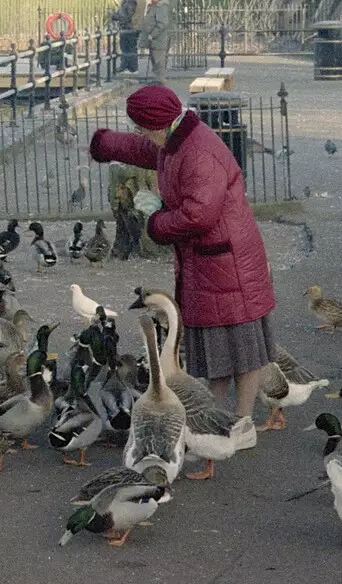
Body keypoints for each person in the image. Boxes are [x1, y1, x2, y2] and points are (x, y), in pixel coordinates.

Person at [88, 84, 275, 443]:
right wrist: (105, 143)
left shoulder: (200, 154)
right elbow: (147, 150)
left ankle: (240, 425)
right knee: (216, 351)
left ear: (159, 124)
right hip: (211, 260)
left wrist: (157, 221)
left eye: (142, 127)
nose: (140, 134)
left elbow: (198, 215)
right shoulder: (176, 139)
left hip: (227, 261)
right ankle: (214, 423)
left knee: (241, 347)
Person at [111, 0, 145, 74]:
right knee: (131, 48)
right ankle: (129, 67)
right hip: (136, 26)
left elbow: (127, 15)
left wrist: (115, 16)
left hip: (130, 27)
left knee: (127, 48)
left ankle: (131, 68)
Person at [142, 0, 171, 83]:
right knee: (155, 59)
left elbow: (162, 23)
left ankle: (160, 81)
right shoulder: (153, 6)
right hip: (153, 39)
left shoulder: (160, 6)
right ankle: (158, 80)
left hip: (158, 39)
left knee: (159, 60)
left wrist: (153, 34)